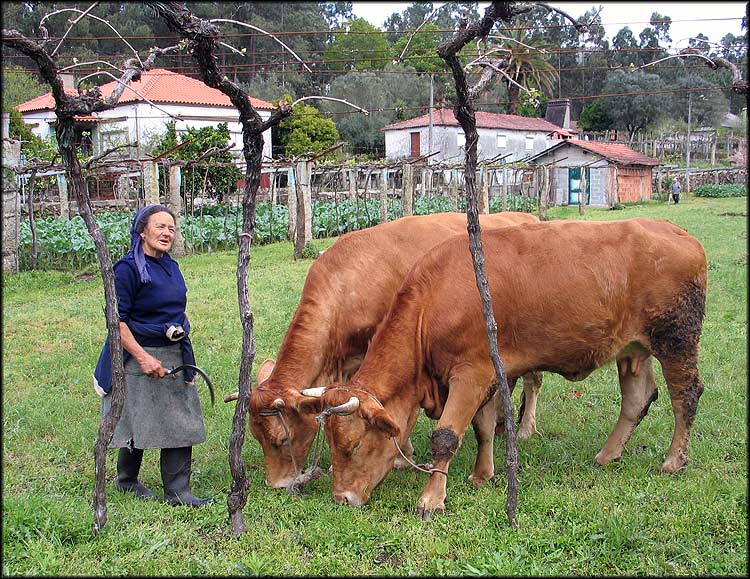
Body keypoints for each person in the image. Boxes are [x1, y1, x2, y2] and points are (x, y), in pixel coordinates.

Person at [93, 204, 212, 507]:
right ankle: (127, 481)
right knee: (137, 417)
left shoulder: (169, 265)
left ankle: (177, 491)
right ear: (142, 231)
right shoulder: (127, 269)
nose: (166, 233)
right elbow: (116, 322)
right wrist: (143, 358)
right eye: (159, 227)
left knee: (180, 420)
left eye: (171, 228)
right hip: (137, 354)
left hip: (174, 350)